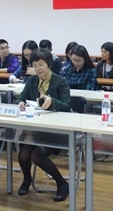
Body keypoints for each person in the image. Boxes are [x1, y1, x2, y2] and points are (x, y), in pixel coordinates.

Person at [15, 49, 71, 202]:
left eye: (41, 64)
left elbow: (67, 107)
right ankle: (27, 180)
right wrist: (20, 103)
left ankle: (62, 183)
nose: (38, 68)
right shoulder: (32, 81)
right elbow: (20, 98)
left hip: (56, 132)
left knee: (36, 154)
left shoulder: (61, 82)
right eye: (35, 65)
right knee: (24, 152)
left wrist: (52, 102)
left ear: (49, 64)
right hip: (35, 130)